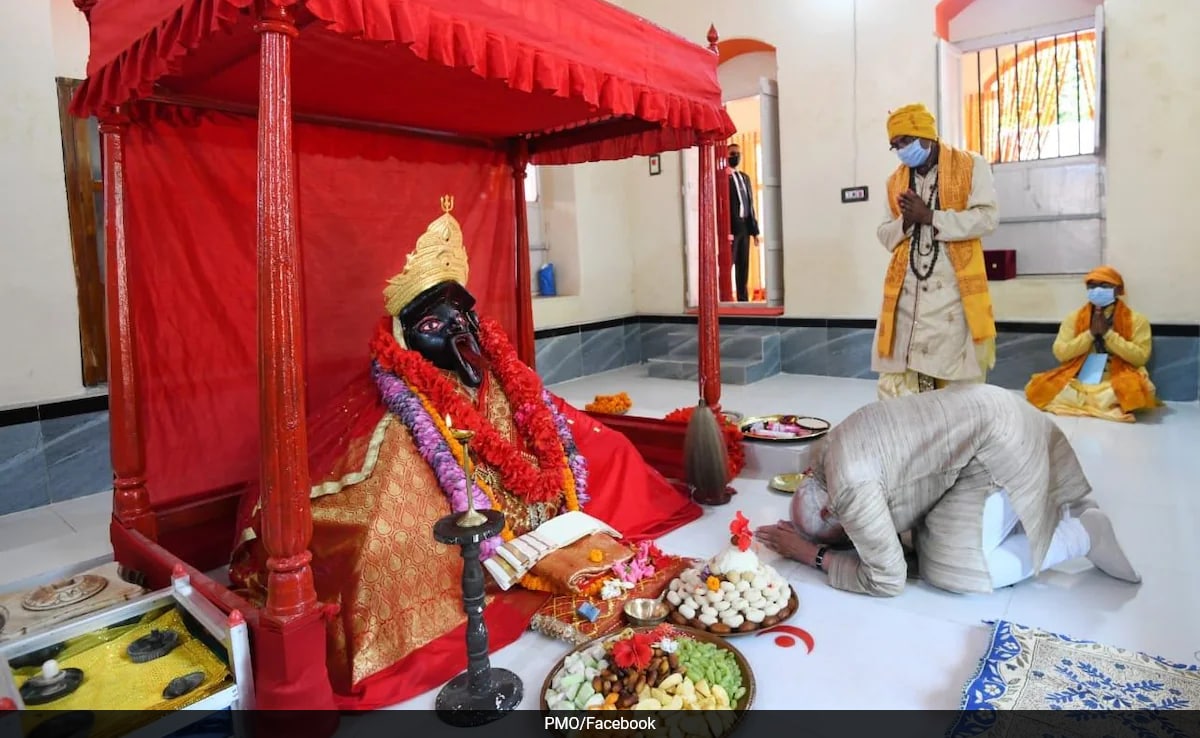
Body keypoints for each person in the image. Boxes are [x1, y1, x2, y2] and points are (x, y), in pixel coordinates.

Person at [229, 197, 700, 707]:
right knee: (382, 538)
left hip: (526, 469)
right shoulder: (395, 402)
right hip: (428, 443)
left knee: (609, 451)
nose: (456, 331)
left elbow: (554, 431)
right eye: (436, 324)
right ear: (405, 339)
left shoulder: (499, 375)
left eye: (462, 317)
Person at [754, 384, 1140, 597]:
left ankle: (1082, 534)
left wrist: (811, 554)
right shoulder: (827, 453)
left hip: (997, 443)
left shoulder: (852, 488)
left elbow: (888, 580)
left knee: (949, 570)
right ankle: (1021, 514)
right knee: (920, 537)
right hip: (990, 411)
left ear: (830, 511)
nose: (851, 536)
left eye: (846, 532)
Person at [872, 103, 1000, 400]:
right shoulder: (895, 182)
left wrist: (931, 216)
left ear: (925, 136)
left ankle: (949, 441)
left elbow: (988, 218)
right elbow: (883, 233)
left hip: (952, 293)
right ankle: (911, 441)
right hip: (907, 293)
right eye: (895, 146)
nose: (901, 150)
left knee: (953, 383)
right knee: (900, 386)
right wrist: (906, 220)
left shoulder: (971, 165)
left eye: (905, 141)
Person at [1025, 265, 1160, 423]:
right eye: (1092, 285)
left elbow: (1140, 358)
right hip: (1081, 375)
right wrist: (1089, 334)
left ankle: (1090, 402)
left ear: (1118, 289)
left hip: (1116, 376)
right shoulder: (1074, 318)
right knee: (1037, 386)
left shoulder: (1137, 320)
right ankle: (1104, 405)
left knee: (1142, 388)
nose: (1097, 290)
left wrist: (1108, 334)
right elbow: (1060, 353)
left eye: (1104, 286)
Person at [727, 143, 760, 302]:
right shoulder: (724, 178)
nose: (736, 156)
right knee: (729, 264)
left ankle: (743, 299)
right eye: (733, 153)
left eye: (738, 154)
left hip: (745, 226)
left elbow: (750, 204)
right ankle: (725, 297)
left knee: (743, 265)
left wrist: (755, 231)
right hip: (732, 228)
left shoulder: (744, 177)